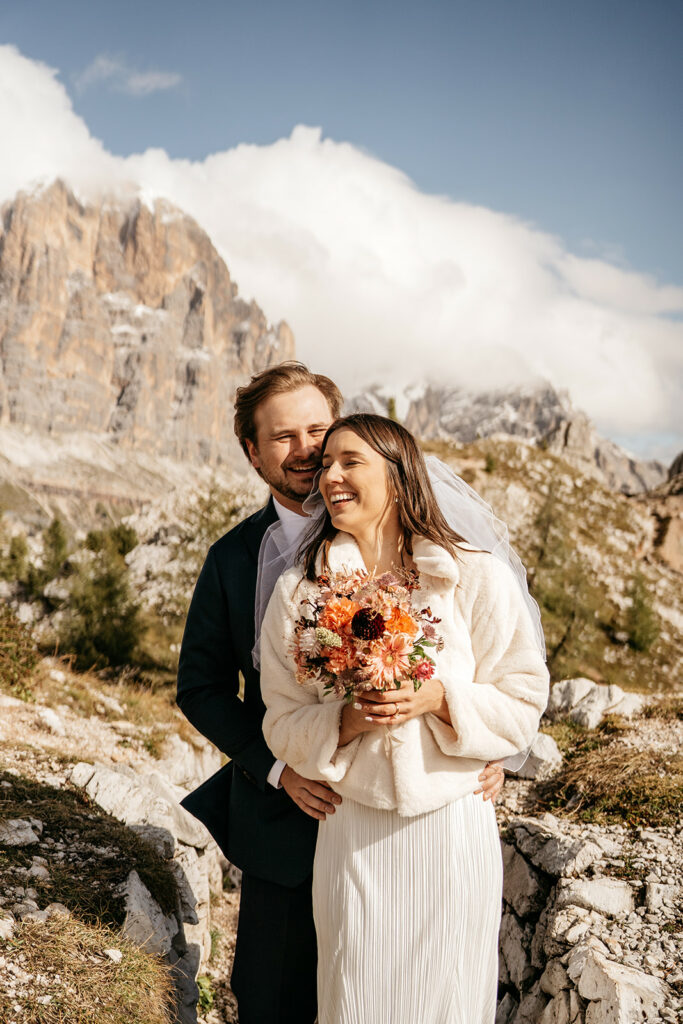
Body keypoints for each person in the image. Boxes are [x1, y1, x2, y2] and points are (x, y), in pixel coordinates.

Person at [176, 366, 506, 1024]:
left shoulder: (423, 540)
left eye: (316, 431)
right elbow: (201, 687)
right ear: (251, 452)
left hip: (409, 825)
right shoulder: (233, 560)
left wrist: (490, 744)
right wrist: (278, 770)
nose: (302, 450)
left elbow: (496, 656)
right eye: (281, 437)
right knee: (274, 1000)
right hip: (288, 820)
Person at [259, 413, 550, 1024]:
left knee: (446, 998)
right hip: (352, 831)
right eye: (326, 463)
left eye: (349, 462)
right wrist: (346, 723)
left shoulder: (472, 575)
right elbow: (281, 718)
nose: (328, 475)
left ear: (398, 475)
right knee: (354, 997)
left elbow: (523, 700)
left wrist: (441, 699)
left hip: (451, 828)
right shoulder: (299, 592)